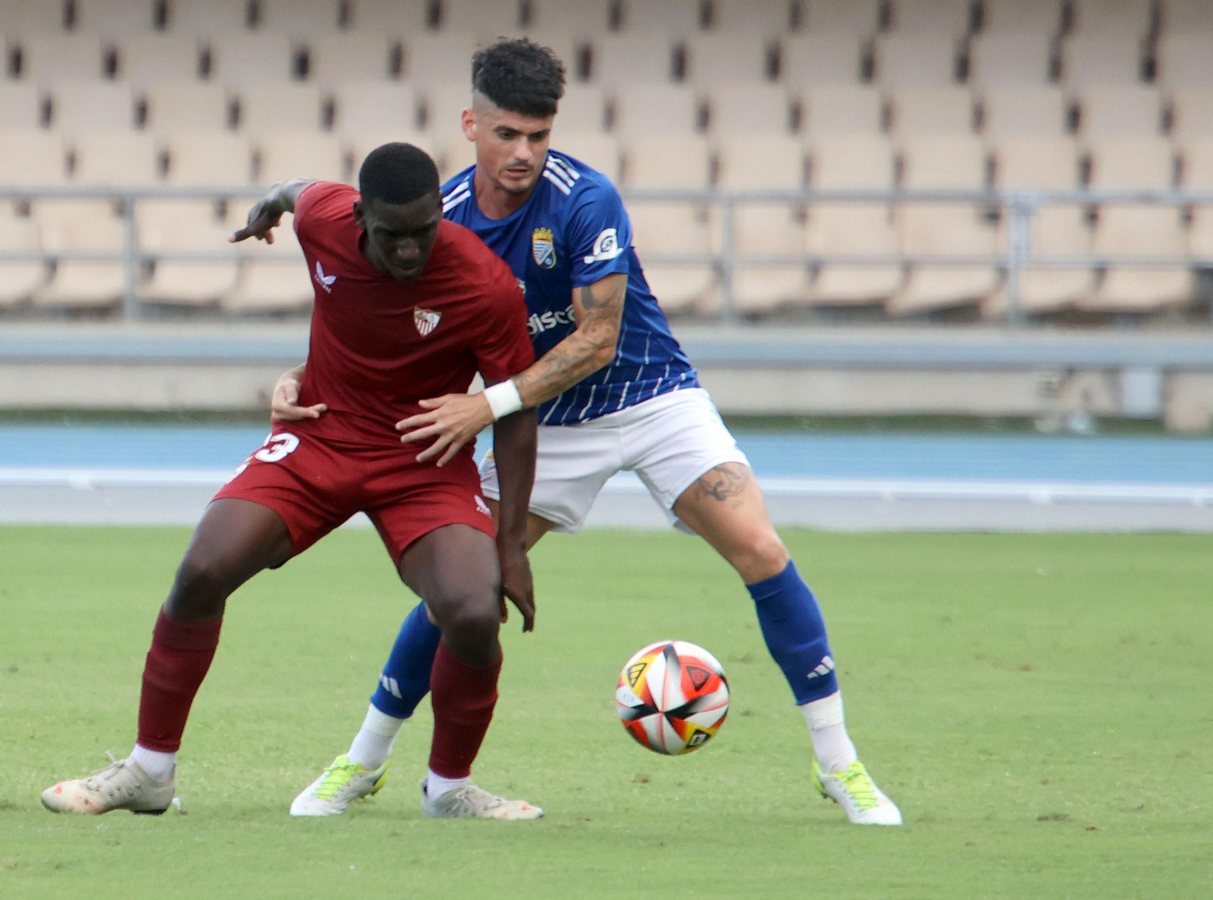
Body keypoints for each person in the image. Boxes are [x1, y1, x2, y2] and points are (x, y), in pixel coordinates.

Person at [280, 40, 901, 825]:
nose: (525, 153)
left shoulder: (585, 198)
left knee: (762, 550)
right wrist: (307, 384)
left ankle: (840, 766)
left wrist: (489, 403)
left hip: (651, 396)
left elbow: (597, 340)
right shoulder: (442, 218)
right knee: (460, 593)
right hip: (542, 425)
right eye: (507, 134)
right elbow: (393, 333)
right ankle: (362, 762)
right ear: (471, 124)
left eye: (539, 136)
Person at [41, 143, 546, 821]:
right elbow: (300, 189)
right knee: (201, 571)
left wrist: (510, 545)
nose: (408, 252)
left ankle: (449, 788)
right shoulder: (324, 219)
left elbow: (518, 412)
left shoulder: (484, 284)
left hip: (421, 461)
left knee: (476, 611)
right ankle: (150, 771)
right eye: (393, 236)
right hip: (319, 438)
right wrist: (269, 203)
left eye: (423, 233)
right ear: (361, 217)